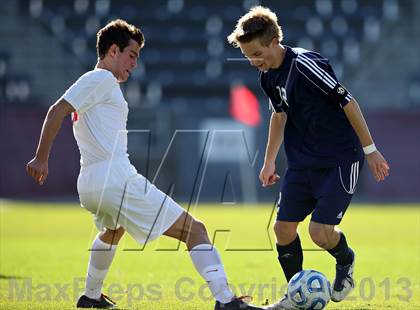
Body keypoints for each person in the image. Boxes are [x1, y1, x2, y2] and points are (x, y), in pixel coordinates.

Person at [26, 19, 263, 310]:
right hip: (116, 179)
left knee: (113, 231)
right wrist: (41, 157)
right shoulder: (100, 79)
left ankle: (90, 296)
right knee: (195, 230)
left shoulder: (99, 84)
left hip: (91, 181)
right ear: (113, 50)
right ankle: (227, 301)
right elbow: (56, 110)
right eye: (132, 55)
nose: (135, 64)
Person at [228, 6, 390, 309]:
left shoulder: (304, 65)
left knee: (319, 233)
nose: (253, 61)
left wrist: (370, 150)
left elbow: (348, 102)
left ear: (275, 41)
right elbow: (279, 115)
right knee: (282, 230)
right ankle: (296, 296)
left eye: (256, 53)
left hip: (339, 160)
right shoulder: (268, 77)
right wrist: (269, 161)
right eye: (248, 55)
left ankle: (346, 260)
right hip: (302, 163)